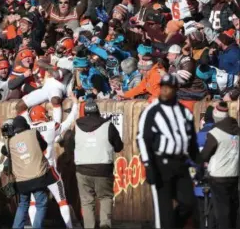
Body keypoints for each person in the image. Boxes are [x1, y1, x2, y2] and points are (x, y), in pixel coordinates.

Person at [137, 74, 199, 229]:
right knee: (164, 213)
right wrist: (148, 164)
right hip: (160, 164)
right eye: (162, 88)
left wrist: (199, 163)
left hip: (181, 164)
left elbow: (191, 141)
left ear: (175, 90)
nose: (165, 91)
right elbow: (143, 139)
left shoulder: (184, 112)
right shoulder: (152, 111)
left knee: (189, 203)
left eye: (168, 88)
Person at [66, 99, 123, 229]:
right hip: (103, 170)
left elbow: (70, 146)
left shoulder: (77, 126)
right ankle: (105, 224)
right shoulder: (108, 125)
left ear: (85, 113)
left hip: (82, 170)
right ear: (98, 112)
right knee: (105, 197)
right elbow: (119, 147)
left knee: (87, 202)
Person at [26, 96, 79, 228]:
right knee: (62, 201)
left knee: (33, 202)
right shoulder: (50, 126)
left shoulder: (27, 129)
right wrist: (76, 105)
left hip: (33, 171)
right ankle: (69, 227)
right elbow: (67, 123)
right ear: (42, 114)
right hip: (49, 170)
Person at [1, 116, 55, 229]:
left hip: (21, 181)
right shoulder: (34, 133)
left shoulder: (10, 142)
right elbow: (44, 146)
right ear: (25, 125)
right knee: (41, 204)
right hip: (38, 177)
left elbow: (4, 151)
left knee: (23, 205)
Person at [200, 101, 240, 229]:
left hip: (218, 177)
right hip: (234, 175)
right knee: (233, 208)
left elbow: (204, 156)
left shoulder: (214, 134)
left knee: (222, 211)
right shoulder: (237, 130)